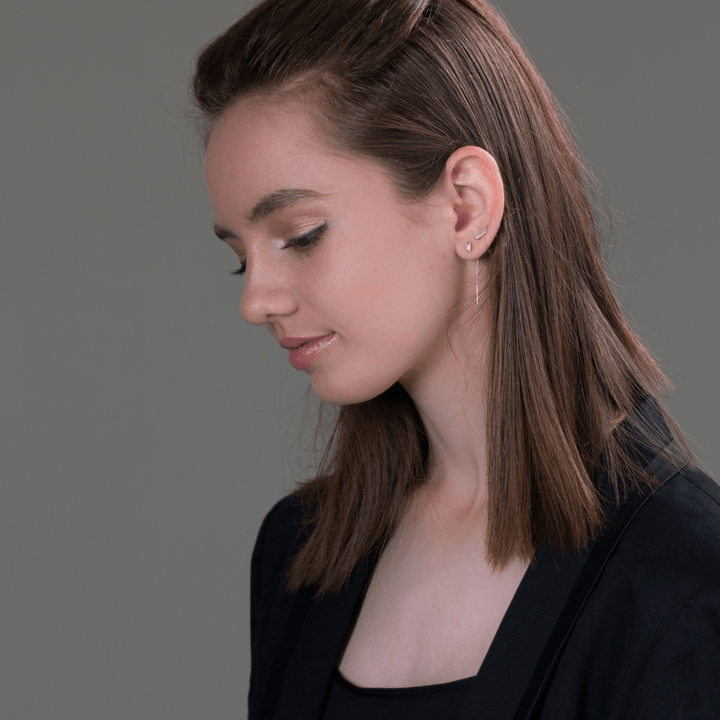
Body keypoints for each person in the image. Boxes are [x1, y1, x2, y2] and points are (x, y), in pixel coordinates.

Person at [190, 0, 720, 717]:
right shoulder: (297, 554)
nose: (256, 300)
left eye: (301, 234)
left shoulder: (686, 584)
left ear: (466, 206)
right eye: (239, 258)